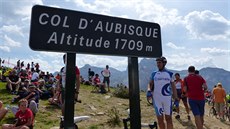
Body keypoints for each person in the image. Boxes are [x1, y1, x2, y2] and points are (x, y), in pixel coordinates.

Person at [146, 56, 177, 129]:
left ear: (164, 63)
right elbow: (150, 83)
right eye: (157, 63)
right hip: (157, 99)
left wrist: (176, 97)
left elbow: (173, 86)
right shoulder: (154, 73)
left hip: (167, 99)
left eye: (159, 62)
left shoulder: (170, 74)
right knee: (160, 119)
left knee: (168, 118)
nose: (158, 64)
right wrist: (148, 90)